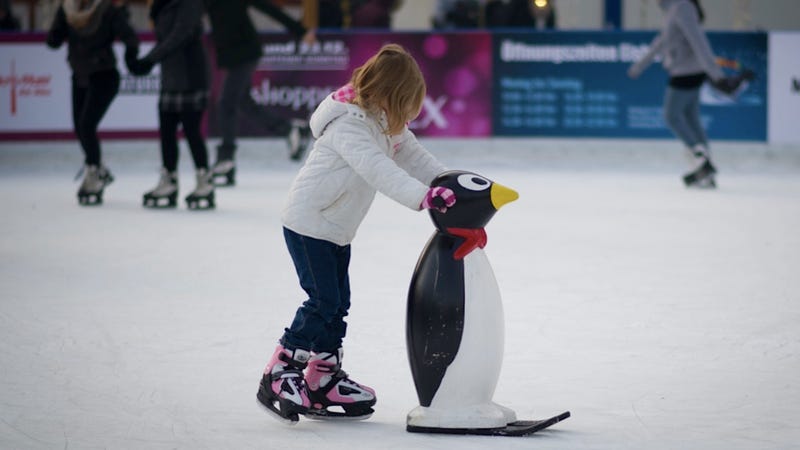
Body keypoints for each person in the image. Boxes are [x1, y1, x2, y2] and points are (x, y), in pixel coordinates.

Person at [257, 43, 456, 423]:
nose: (411, 112)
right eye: (409, 101)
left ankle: (322, 376)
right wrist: (423, 197)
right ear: (392, 95)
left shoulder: (383, 122)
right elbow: (377, 168)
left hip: (336, 228)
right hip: (309, 223)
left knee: (338, 303)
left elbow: (415, 158)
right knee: (322, 301)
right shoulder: (349, 124)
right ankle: (280, 369)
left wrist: (451, 182)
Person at [203, 0, 317, 187]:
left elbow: (269, 8)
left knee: (226, 103)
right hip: (233, 54)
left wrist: (301, 31)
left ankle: (226, 158)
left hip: (245, 52)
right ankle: (289, 129)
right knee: (243, 102)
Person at [628, 0, 730, 188]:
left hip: (687, 72)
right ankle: (705, 172)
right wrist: (641, 64)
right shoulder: (674, 8)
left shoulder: (682, 7)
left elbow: (698, 40)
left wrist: (716, 74)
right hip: (689, 70)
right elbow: (662, 40)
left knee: (672, 116)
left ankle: (701, 161)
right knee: (691, 119)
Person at [46, 0, 139, 206]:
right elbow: (54, 40)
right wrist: (55, 29)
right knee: (80, 126)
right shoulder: (67, 9)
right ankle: (97, 168)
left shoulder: (106, 10)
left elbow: (130, 37)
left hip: (104, 75)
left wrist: (132, 59)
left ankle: (94, 170)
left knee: (86, 125)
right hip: (79, 75)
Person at [129, 0, 215, 210]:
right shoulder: (160, 5)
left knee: (191, 130)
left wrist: (149, 60)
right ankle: (169, 180)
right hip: (171, 74)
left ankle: (205, 181)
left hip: (190, 73)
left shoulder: (189, 4)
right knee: (166, 130)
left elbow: (180, 35)